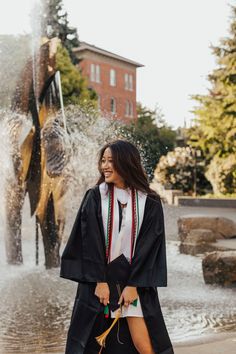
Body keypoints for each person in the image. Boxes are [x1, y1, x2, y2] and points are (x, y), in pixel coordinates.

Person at [60, 140, 174, 354]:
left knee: (145, 345)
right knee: (92, 344)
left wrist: (134, 285)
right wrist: (100, 281)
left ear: (127, 163)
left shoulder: (148, 201)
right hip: (99, 283)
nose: (105, 166)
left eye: (111, 161)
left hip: (134, 281)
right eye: (103, 160)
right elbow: (88, 241)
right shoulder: (95, 196)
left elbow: (150, 245)